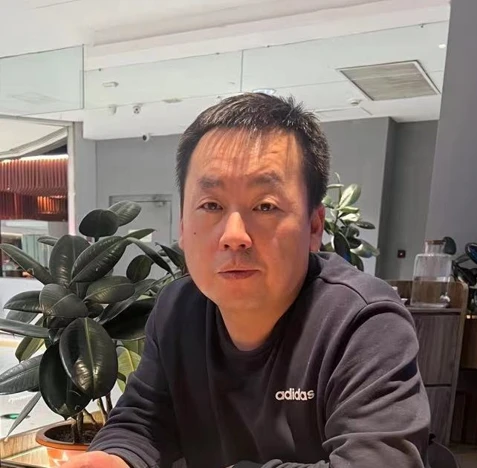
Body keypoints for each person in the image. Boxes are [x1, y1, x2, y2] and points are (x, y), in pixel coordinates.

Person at [64, 93, 430, 468]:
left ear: (314, 226)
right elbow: (143, 421)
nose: (234, 235)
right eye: (211, 205)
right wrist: (113, 459)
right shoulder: (177, 309)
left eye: (265, 206)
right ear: (183, 227)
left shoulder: (363, 323)